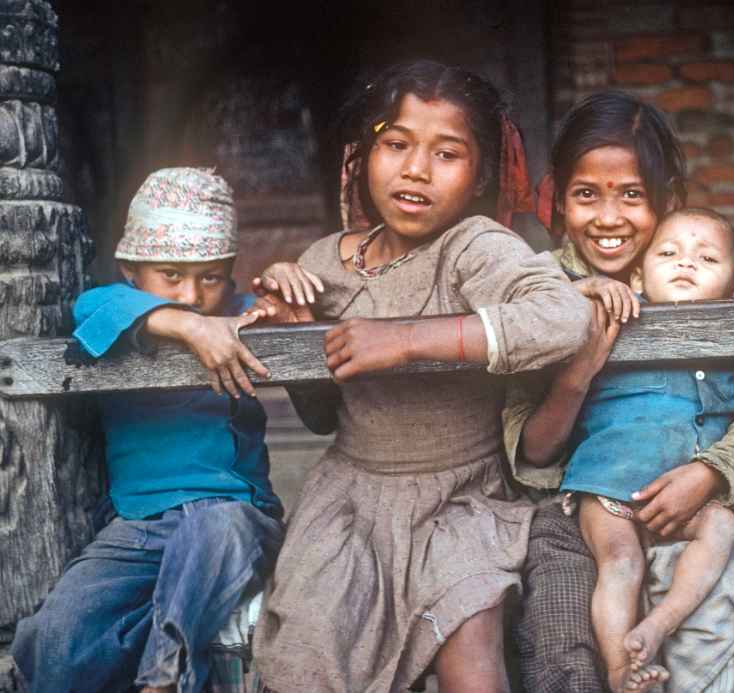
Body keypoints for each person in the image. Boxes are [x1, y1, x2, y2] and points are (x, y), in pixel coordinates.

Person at [245, 60, 591, 693]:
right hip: (350, 503)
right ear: (361, 155)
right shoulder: (326, 260)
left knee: (471, 641)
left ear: (481, 171)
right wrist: (297, 337)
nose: (415, 170)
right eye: (396, 145)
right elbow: (323, 415)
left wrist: (406, 340)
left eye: (447, 153)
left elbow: (562, 318)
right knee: (305, 658)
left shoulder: (475, 247)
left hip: (464, 497)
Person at [505, 91, 734, 693]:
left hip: (695, 489)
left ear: (668, 200)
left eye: (631, 194)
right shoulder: (536, 286)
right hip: (578, 497)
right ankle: (619, 668)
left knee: (729, 593)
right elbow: (534, 454)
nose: (609, 218)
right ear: (558, 197)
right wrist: (577, 371)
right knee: (562, 641)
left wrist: (712, 474)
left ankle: (654, 637)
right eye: (587, 195)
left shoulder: (690, 272)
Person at [11, 167, 285, 693]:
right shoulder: (112, 306)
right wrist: (187, 325)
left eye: (210, 276)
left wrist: (285, 288)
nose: (192, 293)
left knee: (210, 534)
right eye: (170, 275)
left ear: (229, 272)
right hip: (140, 527)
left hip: (235, 516)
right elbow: (90, 308)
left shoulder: (241, 314)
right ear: (131, 270)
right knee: (56, 636)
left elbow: (281, 315)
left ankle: (162, 679)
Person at [522, 209, 734, 692]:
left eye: (706, 257)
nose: (685, 263)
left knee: (722, 525)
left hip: (688, 498)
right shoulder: (616, 314)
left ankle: (659, 625)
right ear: (635, 276)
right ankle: (619, 664)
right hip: (606, 481)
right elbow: (531, 298)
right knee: (621, 562)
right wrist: (587, 290)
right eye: (668, 254)